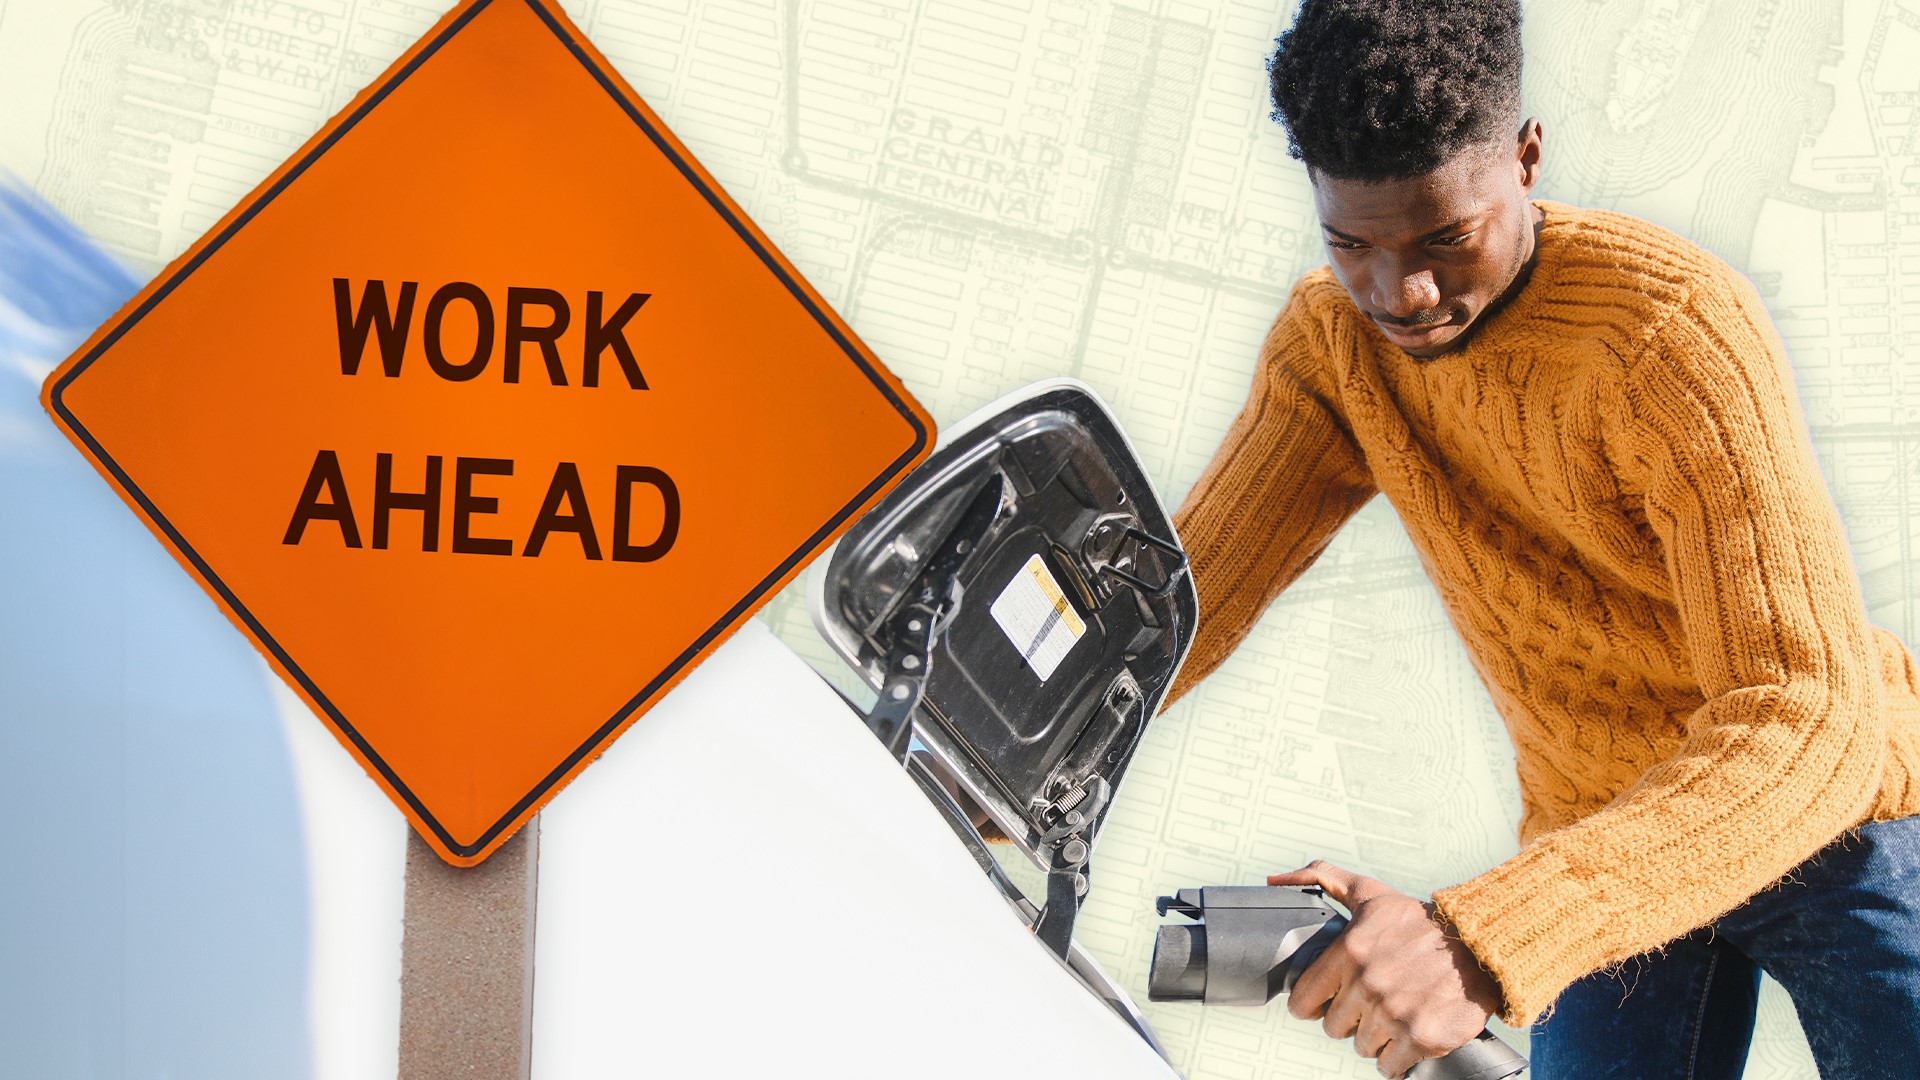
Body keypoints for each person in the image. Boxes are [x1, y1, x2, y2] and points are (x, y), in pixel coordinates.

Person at [1157, 1, 1920, 1077]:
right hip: (1594, 829)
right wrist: (987, 757)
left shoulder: (1673, 333)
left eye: (1444, 238)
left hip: (1823, 823)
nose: (1401, 293)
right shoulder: (1331, 349)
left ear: (1526, 157)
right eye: (1350, 245)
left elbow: (1810, 716)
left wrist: (1474, 940)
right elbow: (1175, 610)